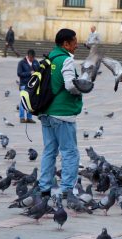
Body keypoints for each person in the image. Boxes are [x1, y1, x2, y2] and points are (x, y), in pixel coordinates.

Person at [39, 29, 82, 198]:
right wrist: (82, 88)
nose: (77, 45)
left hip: (46, 112)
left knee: (49, 150)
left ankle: (44, 188)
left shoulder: (49, 58)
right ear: (66, 44)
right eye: (74, 42)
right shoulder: (66, 60)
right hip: (62, 113)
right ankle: (66, 190)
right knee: (70, 152)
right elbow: (70, 85)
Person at [17, 49, 40, 123]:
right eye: (30, 57)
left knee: (31, 101)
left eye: (33, 58)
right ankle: (22, 117)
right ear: (28, 56)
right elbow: (19, 73)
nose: (32, 59)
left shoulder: (36, 62)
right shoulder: (21, 62)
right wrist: (29, 73)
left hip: (32, 85)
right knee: (23, 101)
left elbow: (39, 71)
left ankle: (29, 117)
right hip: (24, 84)